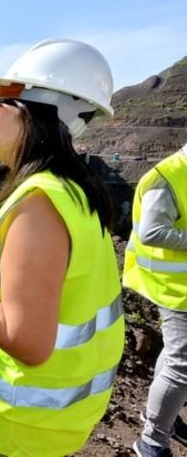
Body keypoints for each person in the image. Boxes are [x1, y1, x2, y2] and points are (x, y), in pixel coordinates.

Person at [0, 39, 125, 456]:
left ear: (36, 112)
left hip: (3, 432)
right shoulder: (67, 191)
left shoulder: (39, 205)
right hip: (41, 431)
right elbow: (37, 272)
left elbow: (27, 343)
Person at [124, 143, 187, 457]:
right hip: (174, 287)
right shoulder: (167, 176)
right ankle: (152, 442)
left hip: (181, 283)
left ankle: (162, 416)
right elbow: (152, 231)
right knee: (183, 364)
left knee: (177, 355)